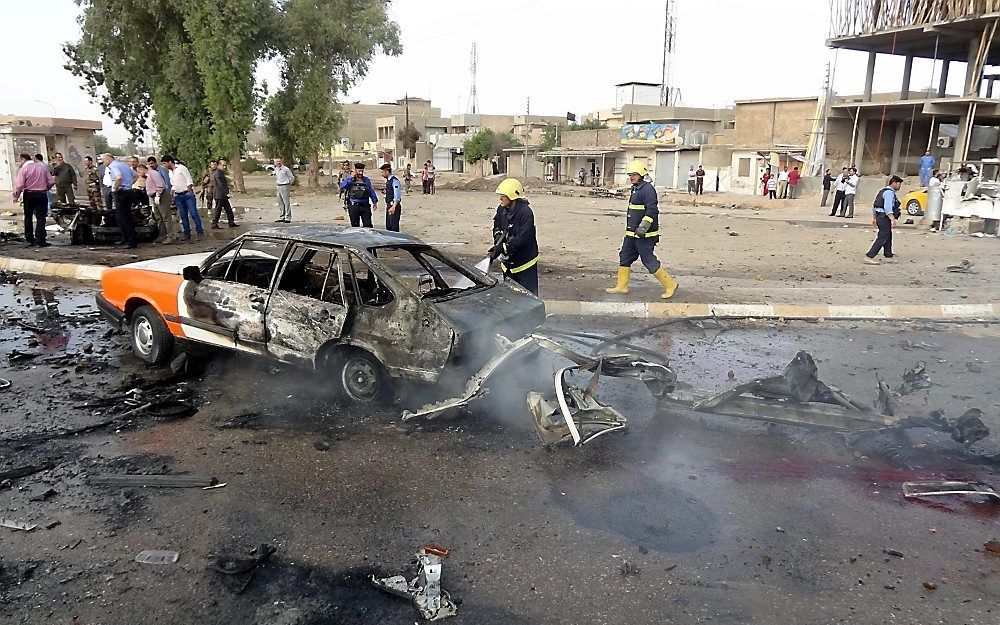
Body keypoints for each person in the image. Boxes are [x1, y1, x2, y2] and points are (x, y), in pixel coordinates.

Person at [604, 160, 678, 299]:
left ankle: (670, 284)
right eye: (630, 175)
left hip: (645, 235)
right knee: (625, 257)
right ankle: (622, 286)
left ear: (642, 174)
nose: (631, 177)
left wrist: (643, 227)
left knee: (648, 260)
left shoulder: (648, 190)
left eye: (634, 174)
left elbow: (652, 211)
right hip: (632, 234)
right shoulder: (636, 188)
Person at [490, 179, 539, 295]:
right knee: (511, 296)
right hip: (508, 265)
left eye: (504, 196)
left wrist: (503, 248)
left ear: (512, 196)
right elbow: (497, 226)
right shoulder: (501, 209)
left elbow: (522, 238)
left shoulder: (525, 213)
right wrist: (497, 240)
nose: (500, 198)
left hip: (525, 264)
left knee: (528, 297)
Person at [11, 152, 54, 247]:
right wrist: (46, 188)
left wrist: (16, 196)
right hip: (42, 194)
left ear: (24, 160)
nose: (19, 163)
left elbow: (20, 185)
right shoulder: (43, 168)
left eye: (19, 160)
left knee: (28, 217)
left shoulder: (24, 169)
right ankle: (40, 240)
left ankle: (29, 239)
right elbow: (51, 181)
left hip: (29, 195)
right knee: (41, 218)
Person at [163, 155, 204, 241]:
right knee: (183, 216)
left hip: (187, 194)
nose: (164, 166)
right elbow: (173, 184)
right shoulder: (170, 172)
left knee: (193, 214)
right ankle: (187, 233)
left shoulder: (181, 168)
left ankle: (200, 232)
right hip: (178, 196)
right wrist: (173, 194)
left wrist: (189, 191)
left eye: (165, 163)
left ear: (170, 162)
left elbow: (189, 180)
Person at [102, 153, 138, 248]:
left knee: (124, 218)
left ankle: (130, 242)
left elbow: (118, 177)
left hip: (121, 193)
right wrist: (129, 184)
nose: (103, 162)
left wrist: (115, 188)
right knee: (122, 217)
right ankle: (125, 239)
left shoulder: (113, 167)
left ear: (109, 159)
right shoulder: (124, 165)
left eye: (104, 160)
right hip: (129, 192)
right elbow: (135, 176)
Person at [865, 175, 902, 264]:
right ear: (893, 183)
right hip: (884, 217)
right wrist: (892, 219)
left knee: (888, 236)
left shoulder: (882, 191)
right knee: (882, 237)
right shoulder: (889, 193)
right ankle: (869, 256)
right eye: (899, 184)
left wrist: (874, 218)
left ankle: (888, 256)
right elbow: (888, 207)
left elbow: (875, 205)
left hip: (880, 216)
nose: (900, 186)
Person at [142, 162, 175, 244]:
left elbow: (160, 185)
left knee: (166, 216)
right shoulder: (148, 176)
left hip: (161, 195)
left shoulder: (153, 173)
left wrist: (158, 195)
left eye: (139, 172)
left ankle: (171, 236)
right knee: (158, 217)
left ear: (141, 170)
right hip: (154, 196)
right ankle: (162, 235)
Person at [340, 162, 378, 227]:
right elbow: (343, 186)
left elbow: (371, 191)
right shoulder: (350, 179)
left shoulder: (366, 180)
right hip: (353, 206)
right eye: (359, 171)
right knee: (355, 226)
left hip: (365, 205)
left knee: (368, 225)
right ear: (355, 170)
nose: (360, 173)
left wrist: (375, 201)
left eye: (362, 171)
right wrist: (350, 178)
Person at [212, 159, 237, 229]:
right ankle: (214, 224)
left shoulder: (220, 173)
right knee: (218, 210)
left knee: (228, 209)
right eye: (223, 165)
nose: (225, 167)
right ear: (219, 165)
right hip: (220, 195)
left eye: (225, 165)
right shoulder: (218, 173)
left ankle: (231, 222)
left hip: (222, 195)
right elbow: (220, 185)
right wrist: (226, 193)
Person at [379, 163, 403, 232]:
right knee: (389, 226)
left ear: (387, 171)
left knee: (393, 227)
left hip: (393, 206)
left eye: (383, 172)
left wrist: (394, 207)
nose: (382, 174)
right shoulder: (389, 181)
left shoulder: (394, 181)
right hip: (389, 205)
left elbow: (397, 195)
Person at [274, 157, 294, 223]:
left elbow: (291, 177)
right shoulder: (276, 169)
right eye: (277, 161)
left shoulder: (285, 169)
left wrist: (288, 184)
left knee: (286, 202)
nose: (278, 163)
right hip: (278, 186)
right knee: (280, 202)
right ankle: (282, 216)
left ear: (281, 161)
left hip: (285, 186)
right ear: (275, 162)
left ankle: (288, 217)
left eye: (279, 161)